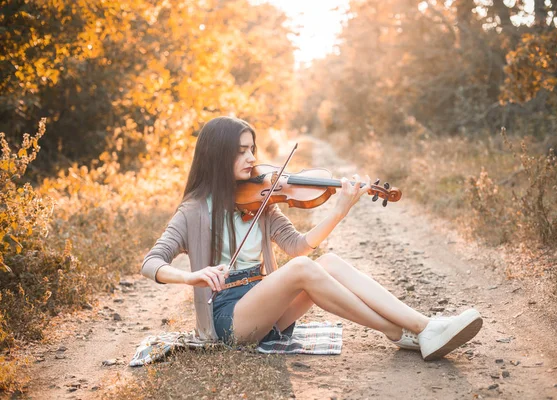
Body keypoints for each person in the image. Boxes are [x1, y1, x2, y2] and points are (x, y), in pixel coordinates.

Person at [141, 116, 482, 361]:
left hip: (266, 304)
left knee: (327, 262)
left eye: (252, 149)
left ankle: (417, 329)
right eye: (241, 151)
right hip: (229, 317)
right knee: (303, 269)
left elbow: (298, 245)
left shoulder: (258, 200)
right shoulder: (194, 211)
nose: (252, 158)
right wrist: (191, 276)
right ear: (217, 156)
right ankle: (409, 330)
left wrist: (340, 210)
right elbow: (151, 263)